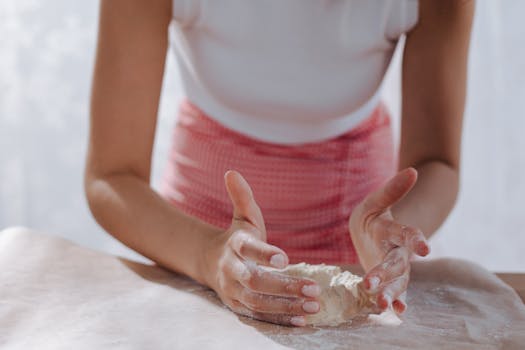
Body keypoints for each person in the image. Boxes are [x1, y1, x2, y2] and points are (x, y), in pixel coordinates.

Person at [85, 0, 474, 327]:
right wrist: (206, 255)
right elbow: (112, 175)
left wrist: (392, 233)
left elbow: (437, 162)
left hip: (357, 239)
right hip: (192, 235)